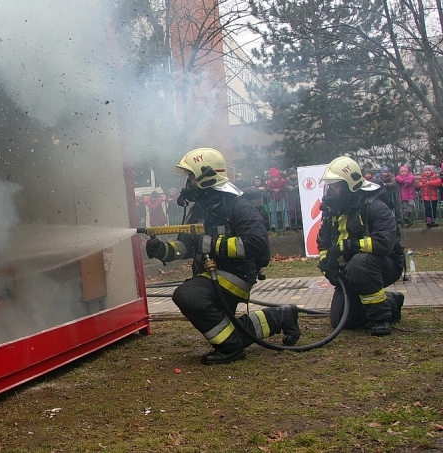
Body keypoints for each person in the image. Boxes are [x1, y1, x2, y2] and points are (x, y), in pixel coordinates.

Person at [145, 148, 300, 365]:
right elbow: (187, 245)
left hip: (235, 275)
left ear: (206, 175)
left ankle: (230, 348)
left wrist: (209, 243)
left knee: (188, 296)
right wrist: (163, 250)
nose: (188, 182)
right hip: (209, 273)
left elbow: (257, 244)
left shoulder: (236, 204)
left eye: (191, 176)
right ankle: (281, 316)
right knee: (227, 325)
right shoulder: (199, 207)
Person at [317, 156, 405, 336]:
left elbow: (384, 243)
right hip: (352, 270)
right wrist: (328, 264)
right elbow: (324, 242)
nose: (331, 191)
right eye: (330, 186)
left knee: (360, 263)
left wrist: (350, 246)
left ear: (350, 186)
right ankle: (391, 301)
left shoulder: (374, 206)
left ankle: (380, 318)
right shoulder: (334, 210)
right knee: (341, 319)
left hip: (384, 264)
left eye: (336, 186)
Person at [265, 167, 287, 232]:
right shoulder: (269, 182)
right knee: (273, 211)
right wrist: (273, 190)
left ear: (278, 176)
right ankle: (273, 224)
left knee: (284, 210)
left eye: (276, 177)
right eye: (273, 178)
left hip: (281, 197)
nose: (275, 179)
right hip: (273, 198)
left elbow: (284, 187)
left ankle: (286, 223)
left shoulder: (283, 181)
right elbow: (268, 188)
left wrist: (279, 189)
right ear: (271, 178)